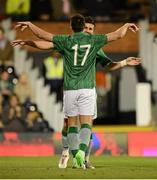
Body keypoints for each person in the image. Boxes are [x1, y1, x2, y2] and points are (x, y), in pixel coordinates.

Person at [12, 14, 140, 168]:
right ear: (82, 27)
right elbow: (118, 35)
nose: (88, 30)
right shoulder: (92, 42)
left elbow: (45, 38)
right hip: (86, 90)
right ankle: (70, 151)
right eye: (86, 27)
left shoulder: (78, 43)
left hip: (71, 89)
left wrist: (124, 62)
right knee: (75, 124)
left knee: (77, 124)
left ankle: (82, 158)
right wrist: (126, 25)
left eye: (91, 29)